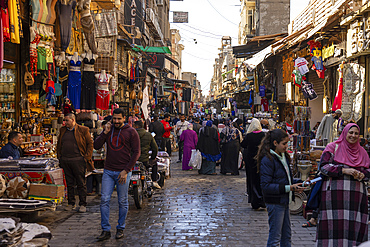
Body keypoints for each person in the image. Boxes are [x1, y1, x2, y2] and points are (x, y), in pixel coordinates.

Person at [316, 123, 370, 246]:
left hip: (356, 197)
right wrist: (343, 170)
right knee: (334, 224)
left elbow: (368, 171)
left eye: (356, 133)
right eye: (351, 132)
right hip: (335, 195)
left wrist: (363, 175)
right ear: (345, 133)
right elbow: (323, 167)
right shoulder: (332, 147)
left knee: (353, 224)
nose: (353, 135)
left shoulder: (362, 152)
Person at [94, 108, 140, 241]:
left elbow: (136, 153)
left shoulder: (131, 132)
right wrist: (104, 132)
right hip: (108, 171)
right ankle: (105, 230)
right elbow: (96, 146)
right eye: (114, 119)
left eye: (119, 119)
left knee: (122, 201)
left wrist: (126, 170)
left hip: (123, 172)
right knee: (104, 200)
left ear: (124, 118)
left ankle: (120, 228)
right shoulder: (109, 130)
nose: (116, 121)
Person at [257, 129, 305, 247]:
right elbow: (266, 186)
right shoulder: (268, 159)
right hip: (275, 202)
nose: (286, 146)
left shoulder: (283, 156)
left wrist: (299, 183)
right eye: (284, 144)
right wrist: (290, 188)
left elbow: (285, 178)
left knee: (286, 236)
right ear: (275, 143)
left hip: (284, 201)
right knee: (275, 238)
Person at [56, 113, 94, 213]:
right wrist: (59, 156)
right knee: (69, 183)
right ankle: (71, 203)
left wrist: (86, 157)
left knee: (81, 183)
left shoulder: (83, 130)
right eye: (64, 120)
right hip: (66, 160)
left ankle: (82, 203)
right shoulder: (63, 130)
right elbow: (59, 143)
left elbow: (90, 143)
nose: (65, 122)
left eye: (67, 120)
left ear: (73, 120)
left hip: (78, 160)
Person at [241, 118, 265, 209]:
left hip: (251, 161)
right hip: (261, 160)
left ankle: (255, 201)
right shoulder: (263, 135)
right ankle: (262, 200)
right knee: (261, 179)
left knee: (252, 180)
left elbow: (243, 144)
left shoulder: (249, 136)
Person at [133, 120, 160, 189]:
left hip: (132, 160)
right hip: (144, 160)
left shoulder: (131, 134)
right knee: (154, 163)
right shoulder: (148, 135)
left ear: (135, 126)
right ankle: (154, 181)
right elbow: (155, 148)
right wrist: (152, 158)